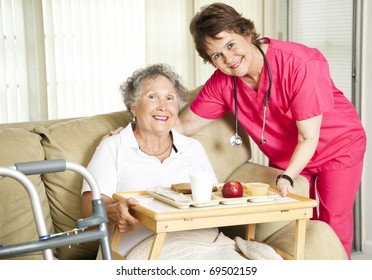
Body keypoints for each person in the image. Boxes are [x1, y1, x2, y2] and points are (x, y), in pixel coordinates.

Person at [172, 3, 365, 259]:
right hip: (287, 155)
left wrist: (286, 177)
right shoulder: (222, 83)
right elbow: (183, 125)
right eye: (216, 55)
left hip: (337, 146)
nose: (228, 59)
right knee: (295, 225)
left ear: (247, 33)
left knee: (331, 225)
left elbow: (309, 136)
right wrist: (133, 129)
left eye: (230, 45)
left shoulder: (299, 62)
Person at [81, 63, 282, 260]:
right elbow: (90, 216)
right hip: (142, 249)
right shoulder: (113, 147)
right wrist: (114, 212)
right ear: (133, 106)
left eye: (170, 98)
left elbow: (214, 202)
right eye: (153, 97)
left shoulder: (192, 148)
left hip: (202, 243)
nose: (163, 106)